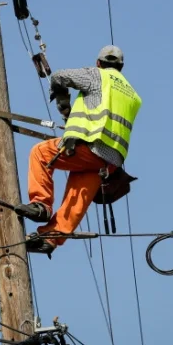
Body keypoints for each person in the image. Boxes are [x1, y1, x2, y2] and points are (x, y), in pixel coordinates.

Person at [16, 45, 142, 256]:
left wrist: (64, 103)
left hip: (90, 147)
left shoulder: (97, 75)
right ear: (121, 67)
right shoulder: (133, 94)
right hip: (110, 162)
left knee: (40, 153)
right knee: (79, 194)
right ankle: (51, 238)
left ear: (99, 63)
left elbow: (59, 77)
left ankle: (41, 205)